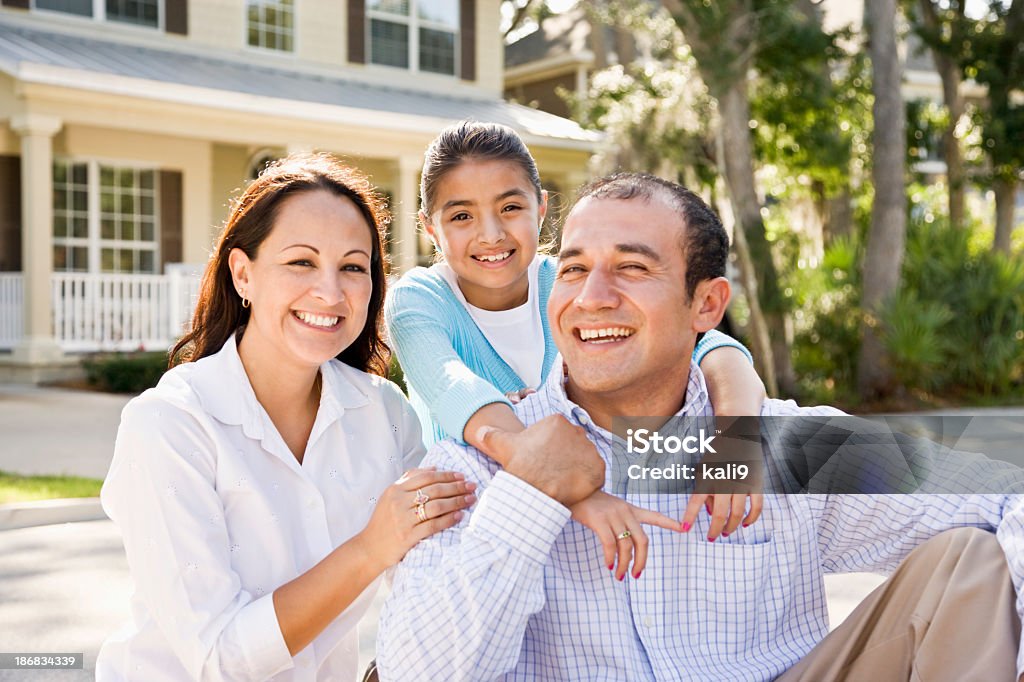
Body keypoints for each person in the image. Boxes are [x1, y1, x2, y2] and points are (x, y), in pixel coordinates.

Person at [376, 172, 1024, 681]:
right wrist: (529, 492)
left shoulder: (769, 444)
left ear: (707, 304)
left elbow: (1005, 489)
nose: (592, 296)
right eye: (572, 269)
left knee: (967, 561)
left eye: (631, 267)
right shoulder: (473, 467)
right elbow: (415, 674)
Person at [96, 154, 476, 681]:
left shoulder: (386, 413)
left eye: (352, 267)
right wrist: (370, 548)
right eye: (301, 262)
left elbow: (435, 583)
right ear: (243, 274)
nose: (330, 291)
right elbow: (218, 660)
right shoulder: (169, 424)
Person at [385, 122, 766, 576]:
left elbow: (712, 345)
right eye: (461, 216)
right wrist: (574, 489)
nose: (490, 235)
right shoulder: (419, 299)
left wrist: (739, 439)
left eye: (510, 207)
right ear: (430, 228)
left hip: (601, 506)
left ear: (541, 208)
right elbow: (454, 389)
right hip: (474, 522)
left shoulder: (571, 280)